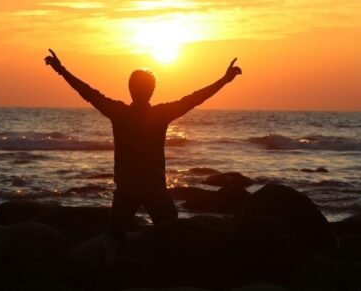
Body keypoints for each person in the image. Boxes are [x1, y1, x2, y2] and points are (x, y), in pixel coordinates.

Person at [44, 49, 242, 263]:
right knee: (169, 226)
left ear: (130, 89)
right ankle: (166, 264)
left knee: (115, 234)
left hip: (127, 187)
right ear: (152, 91)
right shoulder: (161, 114)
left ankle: (112, 262)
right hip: (153, 187)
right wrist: (224, 80)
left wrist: (61, 70)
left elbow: (88, 92)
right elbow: (194, 98)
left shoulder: (119, 112)